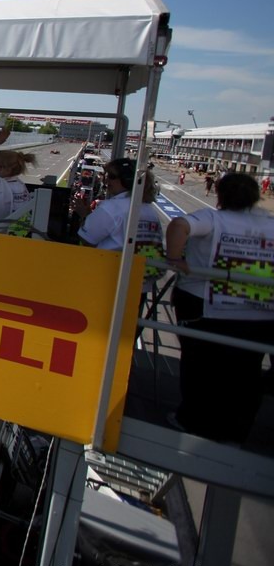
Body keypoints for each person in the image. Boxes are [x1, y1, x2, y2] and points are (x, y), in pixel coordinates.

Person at [164, 172, 274, 442]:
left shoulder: (213, 218)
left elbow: (179, 225)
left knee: (199, 366)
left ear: (221, 195)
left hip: (204, 306)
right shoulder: (269, 224)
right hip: (257, 311)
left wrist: (174, 258)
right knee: (246, 372)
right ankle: (237, 428)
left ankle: (191, 420)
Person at [75, 158, 165, 296]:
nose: (107, 181)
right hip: (140, 286)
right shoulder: (150, 210)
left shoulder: (112, 208)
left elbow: (87, 238)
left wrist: (84, 215)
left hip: (110, 283)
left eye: (111, 176)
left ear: (127, 180)